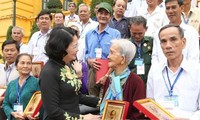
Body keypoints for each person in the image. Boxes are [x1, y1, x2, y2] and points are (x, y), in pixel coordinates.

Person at [39, 27, 101, 120]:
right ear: (62, 47)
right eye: (74, 46)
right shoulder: (49, 72)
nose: (77, 50)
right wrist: (83, 118)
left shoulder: (67, 65)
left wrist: (104, 102)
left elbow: (75, 96)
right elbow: (53, 111)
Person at [147, 24, 200, 119]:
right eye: (163, 41)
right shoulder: (155, 70)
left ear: (183, 42)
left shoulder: (197, 71)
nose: (168, 46)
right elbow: (151, 102)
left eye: (173, 39)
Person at [100, 39, 146, 120]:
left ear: (123, 59)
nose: (108, 56)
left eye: (112, 53)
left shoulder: (136, 82)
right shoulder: (109, 79)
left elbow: (138, 113)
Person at [85, 2, 121, 97]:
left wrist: (106, 75)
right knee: (93, 100)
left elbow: (117, 56)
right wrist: (90, 61)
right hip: (93, 70)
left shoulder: (115, 34)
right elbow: (86, 53)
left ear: (110, 16)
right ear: (96, 14)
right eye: (100, 13)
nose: (103, 16)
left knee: (107, 99)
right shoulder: (89, 34)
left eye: (106, 14)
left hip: (109, 71)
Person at [2, 53, 40, 120]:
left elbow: (41, 103)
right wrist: (12, 113)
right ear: (16, 66)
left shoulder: (37, 82)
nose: (25, 66)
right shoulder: (11, 84)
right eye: (22, 63)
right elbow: (5, 103)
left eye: (28, 63)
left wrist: (37, 114)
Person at [128, 16, 153, 84]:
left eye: (140, 33)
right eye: (134, 33)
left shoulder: (151, 42)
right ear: (129, 28)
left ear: (146, 29)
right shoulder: (126, 45)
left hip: (148, 81)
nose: (137, 36)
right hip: (131, 82)